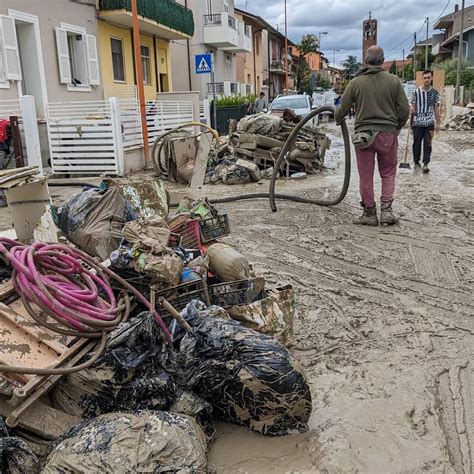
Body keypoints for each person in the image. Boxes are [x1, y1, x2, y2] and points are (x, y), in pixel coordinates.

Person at [335, 45, 409, 226]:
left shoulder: (355, 83)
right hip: (387, 135)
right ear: (383, 61)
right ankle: (386, 212)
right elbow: (405, 110)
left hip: (364, 136)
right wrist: (396, 127)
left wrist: (337, 118)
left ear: (365, 61)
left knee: (365, 175)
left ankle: (369, 213)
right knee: (388, 172)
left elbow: (341, 111)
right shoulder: (394, 81)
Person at [410, 70, 441, 173]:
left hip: (429, 123)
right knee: (417, 143)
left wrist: (438, 123)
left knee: (428, 143)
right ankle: (416, 162)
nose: (427, 79)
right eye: (425, 78)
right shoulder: (416, 92)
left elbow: (436, 108)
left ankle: (426, 164)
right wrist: (412, 112)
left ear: (431, 78)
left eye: (428, 77)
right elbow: (413, 107)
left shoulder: (434, 93)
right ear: (422, 79)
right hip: (418, 122)